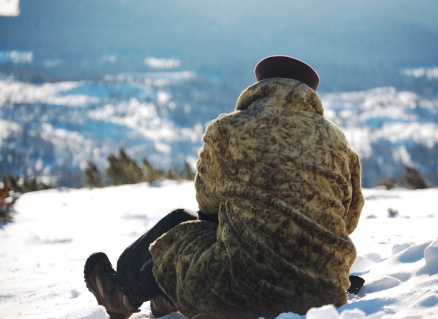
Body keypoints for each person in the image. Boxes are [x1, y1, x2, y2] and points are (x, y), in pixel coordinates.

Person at [84, 55, 365, 319]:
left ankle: (120, 295)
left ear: (260, 88)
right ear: (309, 95)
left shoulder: (228, 129)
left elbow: (207, 204)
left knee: (180, 224)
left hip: (242, 292)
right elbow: (348, 221)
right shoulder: (339, 143)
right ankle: (170, 298)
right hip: (325, 292)